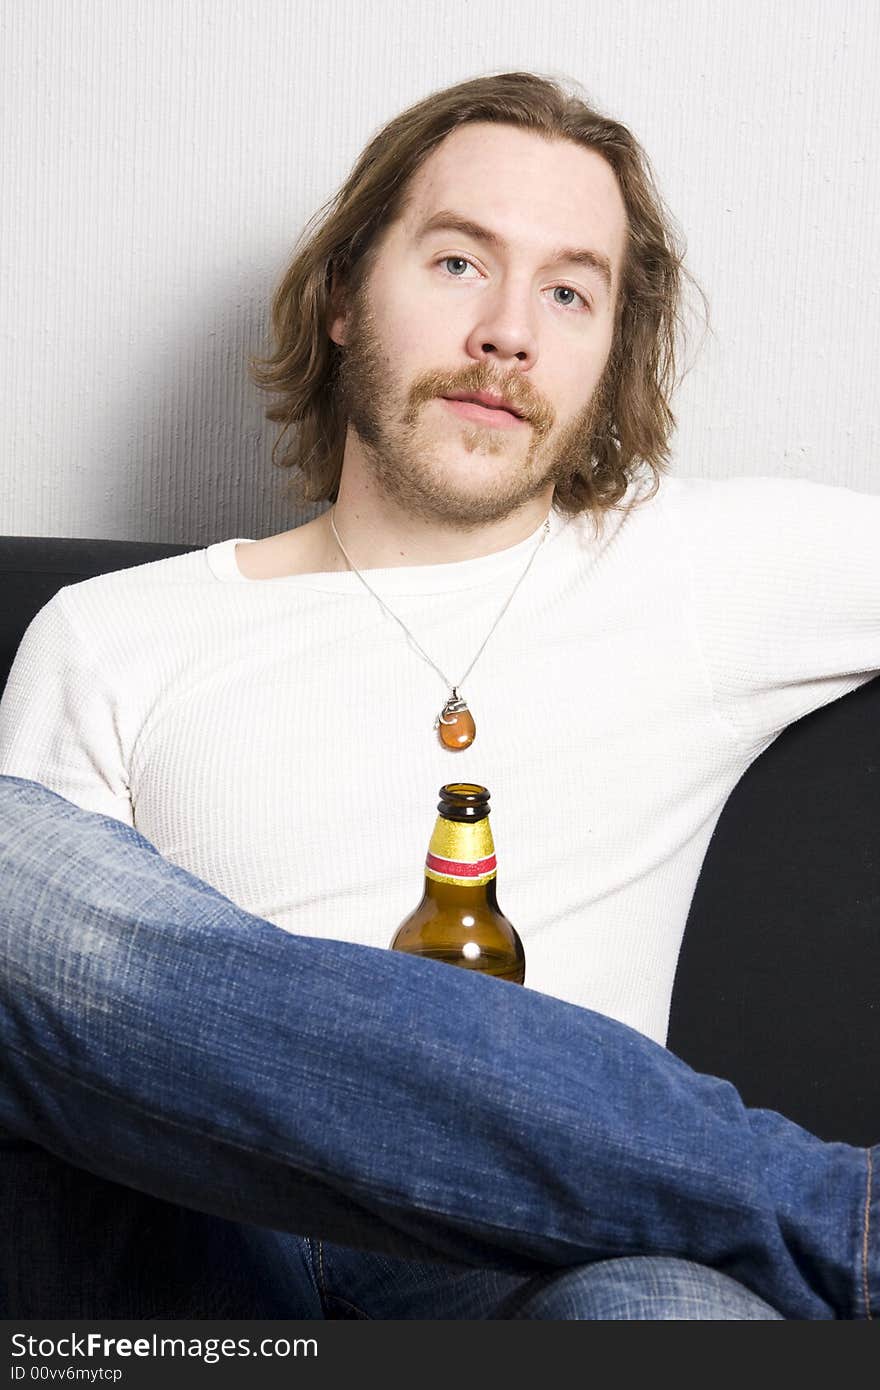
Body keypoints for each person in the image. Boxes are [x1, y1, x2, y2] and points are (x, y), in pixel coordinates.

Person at [0, 70, 878, 1321]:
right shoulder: (114, 635)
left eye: (568, 292)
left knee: (667, 1311)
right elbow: (47, 1039)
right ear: (346, 295)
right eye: (460, 263)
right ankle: (835, 1217)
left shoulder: (693, 569)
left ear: (606, 352)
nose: (508, 332)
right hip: (201, 1256)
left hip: (543, 1261)